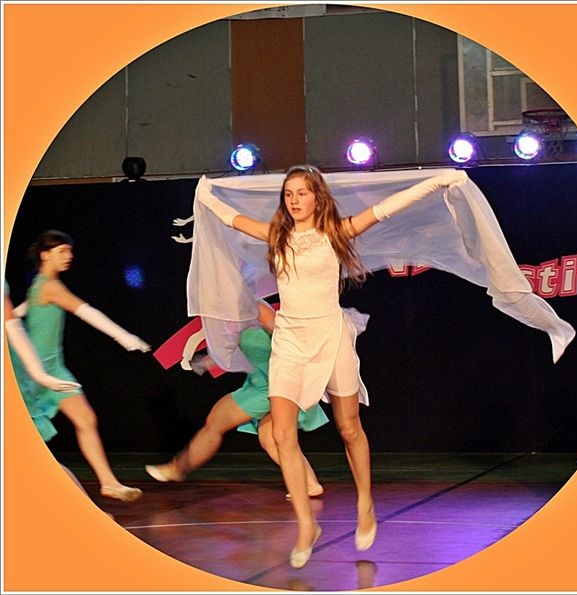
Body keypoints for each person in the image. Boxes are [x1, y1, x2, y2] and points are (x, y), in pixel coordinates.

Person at [196, 164, 469, 568]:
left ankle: (365, 502)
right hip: (289, 340)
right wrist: (204, 194)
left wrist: (438, 180)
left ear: (317, 197)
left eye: (302, 193)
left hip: (330, 336)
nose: (294, 200)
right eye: (289, 193)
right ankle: (306, 525)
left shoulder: (336, 232)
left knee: (348, 427)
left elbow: (387, 207)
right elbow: (230, 218)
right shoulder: (276, 235)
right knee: (281, 433)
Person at [14, 229, 151, 502]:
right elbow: (86, 311)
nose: (69, 256)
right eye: (62, 251)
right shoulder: (49, 286)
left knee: (85, 419)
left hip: (54, 369)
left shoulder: (43, 285)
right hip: (34, 373)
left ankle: (109, 483)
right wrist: (123, 336)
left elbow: (18, 312)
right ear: (45, 255)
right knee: (26, 440)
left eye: (70, 251)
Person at [145, 299, 327, 498]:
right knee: (269, 438)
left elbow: (288, 340)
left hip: (272, 385)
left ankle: (177, 468)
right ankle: (309, 484)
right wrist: (205, 363)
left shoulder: (257, 308)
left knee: (216, 421)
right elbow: (230, 350)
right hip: (259, 384)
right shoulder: (232, 316)